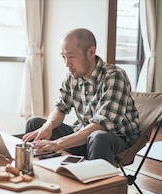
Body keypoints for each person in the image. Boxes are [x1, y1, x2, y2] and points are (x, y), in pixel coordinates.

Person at [22, 28, 140, 164]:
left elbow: (101, 126)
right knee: (34, 123)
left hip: (115, 140)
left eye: (71, 56)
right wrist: (48, 125)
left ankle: (99, 184)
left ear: (91, 52)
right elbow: (61, 108)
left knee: (99, 137)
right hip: (85, 136)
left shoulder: (114, 76)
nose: (67, 64)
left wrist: (56, 144)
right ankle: (35, 172)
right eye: (63, 57)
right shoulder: (72, 77)